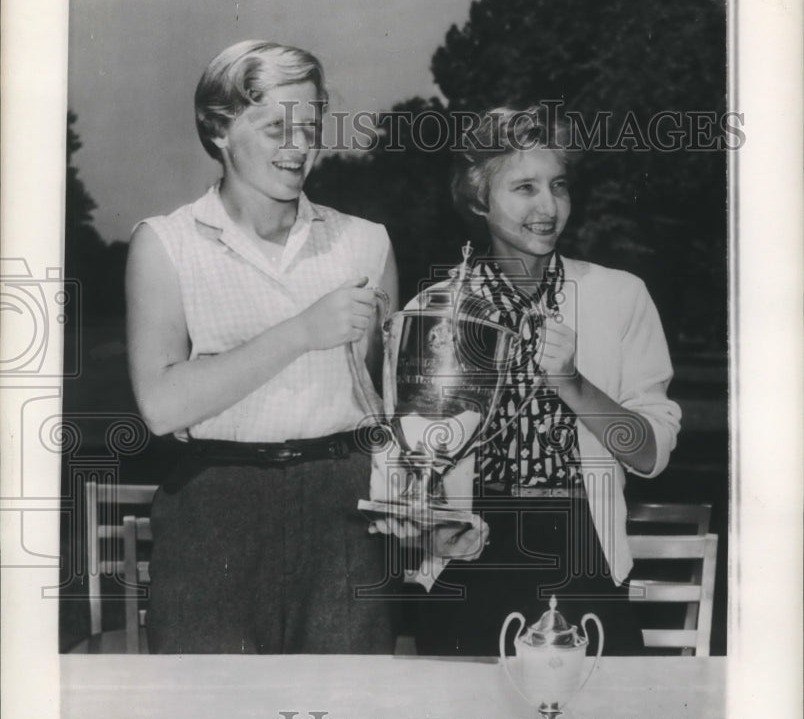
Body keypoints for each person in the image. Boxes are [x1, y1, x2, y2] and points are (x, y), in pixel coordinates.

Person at [126, 40, 399, 654]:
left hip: (346, 509)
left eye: (310, 126)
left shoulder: (367, 244)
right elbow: (163, 406)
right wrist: (302, 331)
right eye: (277, 127)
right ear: (219, 129)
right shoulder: (165, 244)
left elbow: (385, 410)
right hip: (214, 508)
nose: (299, 147)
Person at [397, 105, 681, 656]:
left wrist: (574, 385)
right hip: (471, 558)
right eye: (524, 188)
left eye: (558, 186)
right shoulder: (433, 312)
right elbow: (406, 469)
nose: (548, 207)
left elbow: (650, 454)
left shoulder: (620, 296)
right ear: (480, 200)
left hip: (584, 550)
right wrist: (431, 525)